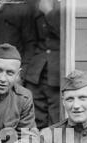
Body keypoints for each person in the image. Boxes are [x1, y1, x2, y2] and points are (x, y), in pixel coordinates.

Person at [25, 0, 60, 129]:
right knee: (36, 116)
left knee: (56, 119)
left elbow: (66, 33)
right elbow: (30, 40)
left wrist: (49, 12)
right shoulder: (35, 6)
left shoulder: (66, 6)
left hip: (57, 71)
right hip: (37, 71)